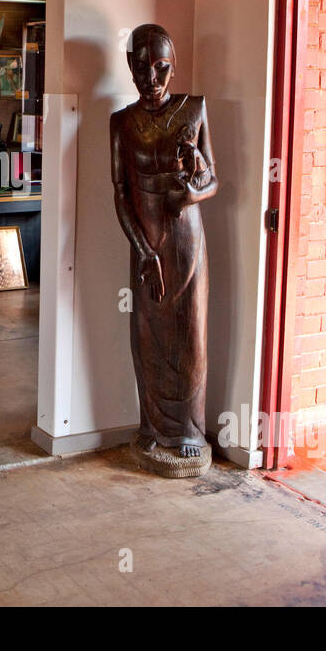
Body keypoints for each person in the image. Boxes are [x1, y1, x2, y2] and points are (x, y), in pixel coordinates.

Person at [111, 24, 218, 462]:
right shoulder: (121, 122)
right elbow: (120, 193)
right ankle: (152, 427)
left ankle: (191, 431)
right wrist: (144, 251)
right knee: (148, 335)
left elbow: (212, 180)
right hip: (147, 243)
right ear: (131, 68)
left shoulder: (194, 109)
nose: (151, 80)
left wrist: (190, 191)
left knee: (191, 334)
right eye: (141, 68)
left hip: (187, 240)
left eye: (160, 69)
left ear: (172, 69)